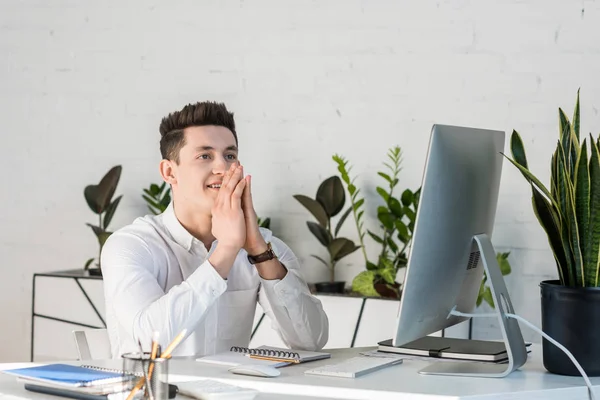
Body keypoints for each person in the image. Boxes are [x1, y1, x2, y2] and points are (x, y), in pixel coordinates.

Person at [101, 101, 329, 358]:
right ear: (169, 172)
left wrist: (258, 252)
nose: (223, 168)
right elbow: (150, 344)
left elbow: (312, 341)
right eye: (205, 156)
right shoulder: (130, 246)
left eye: (230, 155)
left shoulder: (263, 247)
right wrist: (227, 250)